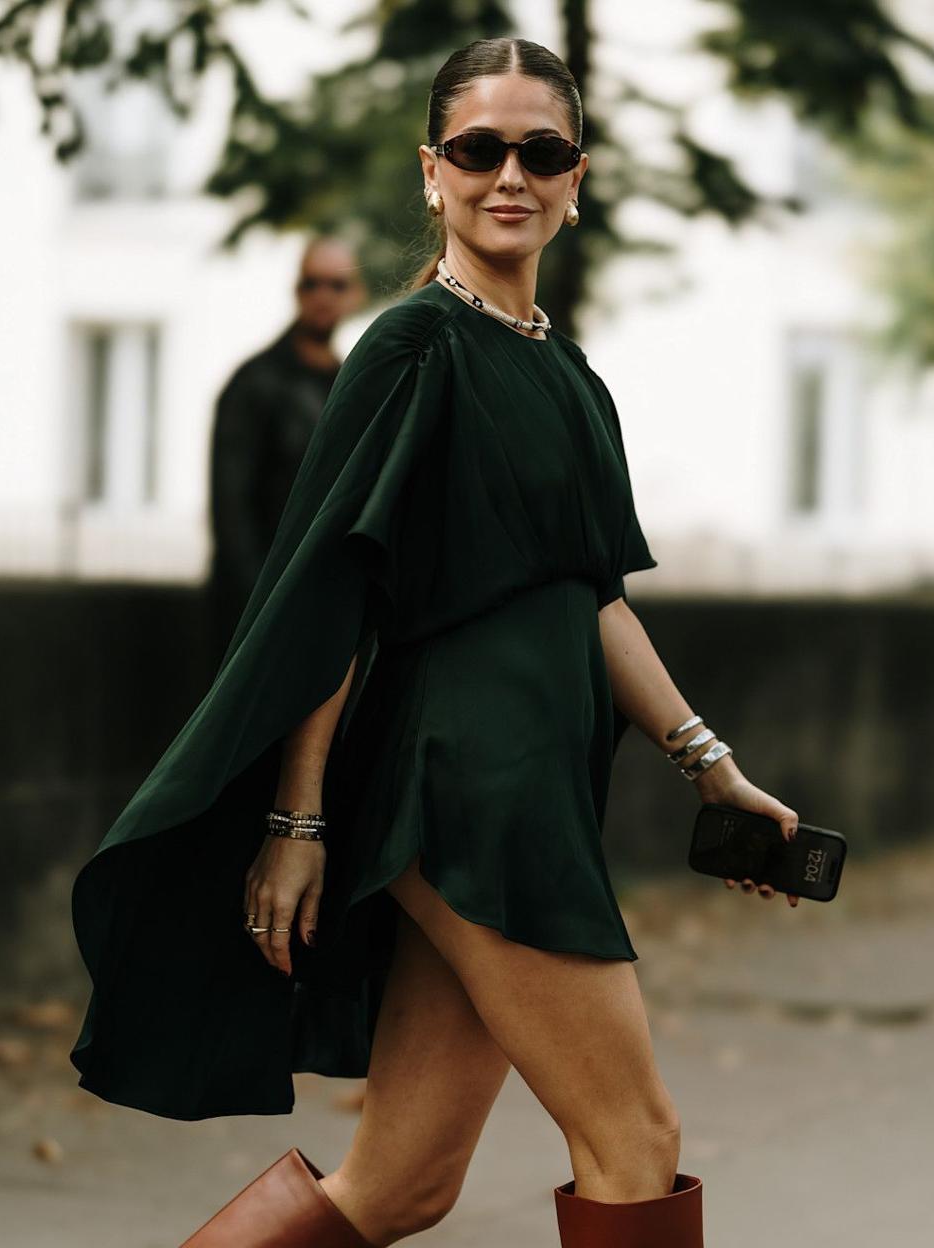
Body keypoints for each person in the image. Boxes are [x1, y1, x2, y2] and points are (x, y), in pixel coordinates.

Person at [68, 37, 802, 1248]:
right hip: (467, 791)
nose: (510, 175)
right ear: (432, 171)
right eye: (478, 149)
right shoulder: (410, 351)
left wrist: (712, 767)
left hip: (533, 790)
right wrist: (297, 820)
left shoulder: (569, 374)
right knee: (634, 1141)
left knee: (400, 1184)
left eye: (542, 151)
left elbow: (594, 602)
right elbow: (329, 598)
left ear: (577, 177)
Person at [207, 237, 367, 660]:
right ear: (296, 290)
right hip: (261, 616)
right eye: (311, 283)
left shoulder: (352, 386)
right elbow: (232, 515)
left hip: (329, 609)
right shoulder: (254, 383)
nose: (322, 296)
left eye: (336, 284)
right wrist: (260, 615)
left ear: (356, 294)